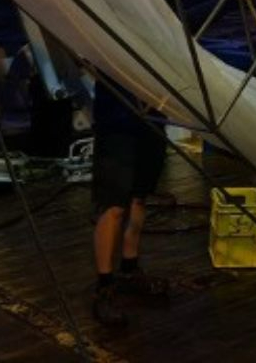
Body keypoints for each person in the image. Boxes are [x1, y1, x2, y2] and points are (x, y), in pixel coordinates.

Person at [90, 76, 171, 327]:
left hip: (152, 123)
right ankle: (104, 286)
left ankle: (129, 268)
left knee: (139, 199)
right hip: (117, 127)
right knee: (113, 206)